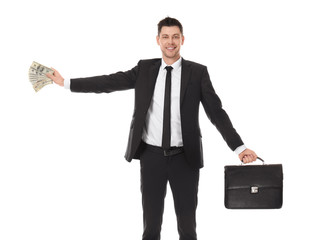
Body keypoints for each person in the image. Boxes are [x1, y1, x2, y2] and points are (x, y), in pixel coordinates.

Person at [47, 17, 257, 240]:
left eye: (175, 36)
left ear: (183, 39)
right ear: (158, 40)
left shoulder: (197, 73)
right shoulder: (144, 69)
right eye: (165, 37)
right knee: (151, 228)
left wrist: (239, 147)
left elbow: (216, 113)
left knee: (187, 228)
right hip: (151, 157)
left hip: (185, 158)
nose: (170, 42)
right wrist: (66, 83)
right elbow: (107, 83)